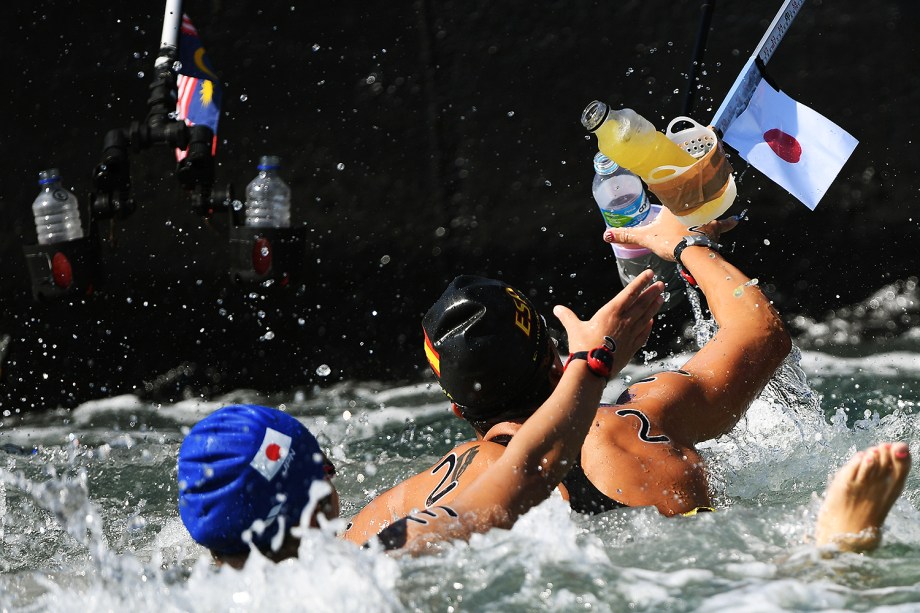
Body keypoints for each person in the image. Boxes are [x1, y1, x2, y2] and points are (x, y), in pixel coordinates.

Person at [343, 207, 793, 543]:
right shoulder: (635, 426)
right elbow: (761, 336)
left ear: (458, 407)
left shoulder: (415, 501)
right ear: (557, 359)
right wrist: (686, 246)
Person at [176, 269, 665, 564]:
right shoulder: (388, 557)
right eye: (324, 467)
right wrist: (594, 359)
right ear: (320, 493)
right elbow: (531, 471)